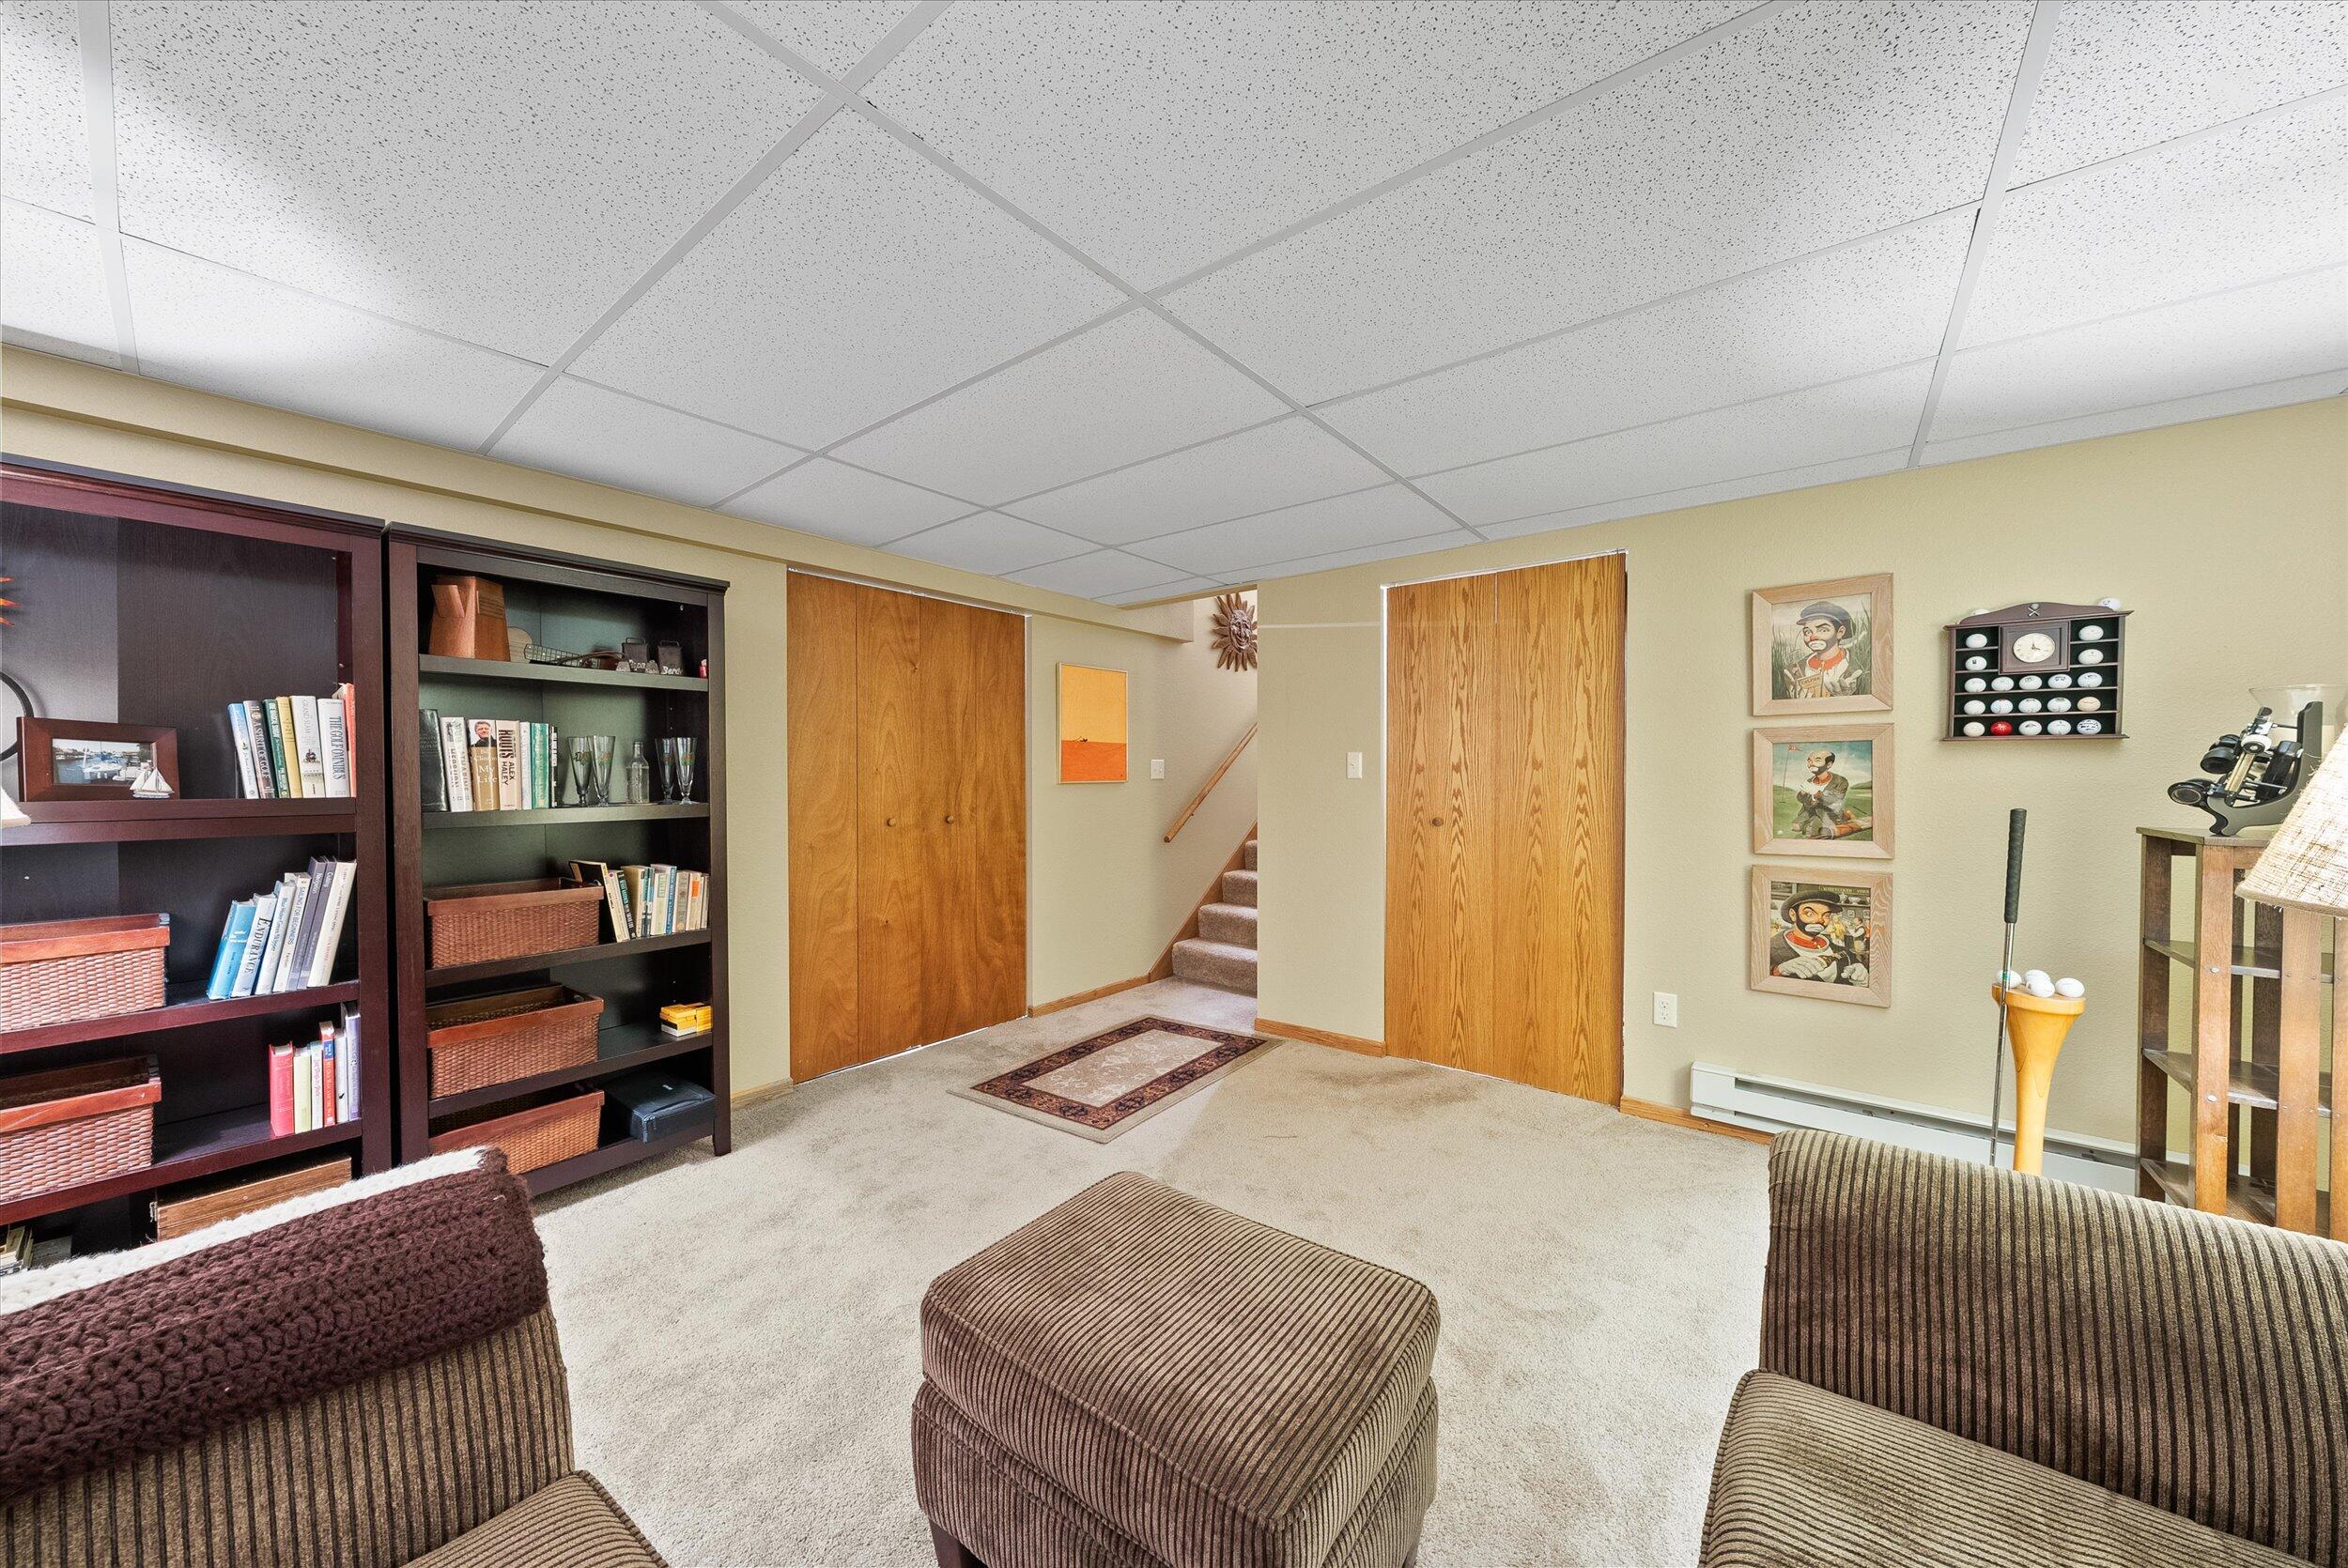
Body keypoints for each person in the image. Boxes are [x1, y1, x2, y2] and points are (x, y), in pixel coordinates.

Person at [1770, 888, 1869, 986]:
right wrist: (1778, 970)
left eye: (1826, 915)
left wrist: (1861, 976)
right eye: (1809, 913)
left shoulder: (1841, 950)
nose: (1821, 920)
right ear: (1793, 915)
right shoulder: (1771, 948)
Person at [1780, 600, 1867, 700]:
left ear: (1840, 632)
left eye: (1823, 630)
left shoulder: (1860, 663)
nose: (1813, 637)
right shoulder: (1792, 670)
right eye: (1807, 632)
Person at [1790, 748, 1868, 839]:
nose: (1811, 763)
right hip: (1810, 811)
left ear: (1829, 764)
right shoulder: (1809, 781)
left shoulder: (1840, 781)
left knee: (1811, 831)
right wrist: (1803, 794)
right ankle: (1845, 816)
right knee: (1795, 826)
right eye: (1809, 761)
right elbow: (1802, 799)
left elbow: (1835, 799)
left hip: (1828, 812)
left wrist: (1816, 793)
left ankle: (1843, 817)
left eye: (1817, 760)